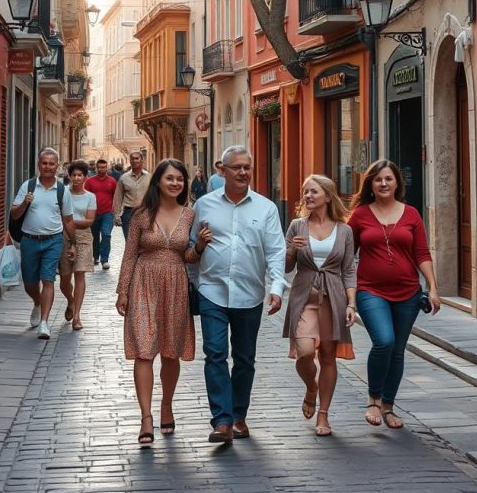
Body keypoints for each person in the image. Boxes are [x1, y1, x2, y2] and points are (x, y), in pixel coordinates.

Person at [187, 145, 285, 443]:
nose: (243, 172)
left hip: (249, 293)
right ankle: (222, 420)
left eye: (247, 167)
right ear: (223, 171)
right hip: (212, 290)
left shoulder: (266, 208)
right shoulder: (204, 205)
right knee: (215, 353)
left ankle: (239, 415)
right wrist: (196, 283)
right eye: (236, 167)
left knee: (244, 358)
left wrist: (277, 287)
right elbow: (192, 246)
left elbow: (276, 250)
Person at [349, 159, 440, 429]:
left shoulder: (411, 214)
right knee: (384, 341)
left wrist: (432, 287)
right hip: (370, 290)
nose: (384, 183)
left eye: (389, 178)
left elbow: (421, 253)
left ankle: (388, 406)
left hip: (408, 293)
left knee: (398, 350)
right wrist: (348, 295)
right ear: (371, 184)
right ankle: (373, 399)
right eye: (378, 179)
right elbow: (346, 256)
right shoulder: (360, 215)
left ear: (397, 182)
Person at [115, 158, 195, 447]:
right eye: (170, 178)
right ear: (158, 181)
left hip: (175, 284)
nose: (175, 183)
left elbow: (188, 257)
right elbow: (129, 254)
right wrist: (122, 290)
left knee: (171, 351)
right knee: (144, 351)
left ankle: (167, 405)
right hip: (143, 283)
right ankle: (146, 417)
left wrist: (199, 248)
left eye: (180, 179)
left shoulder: (189, 215)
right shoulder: (141, 215)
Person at [284, 175, 356, 436]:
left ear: (327, 195)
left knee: (327, 356)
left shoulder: (344, 230)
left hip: (334, 299)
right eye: (305, 192)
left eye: (313, 192)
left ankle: (323, 415)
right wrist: (291, 249)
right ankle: (311, 387)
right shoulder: (296, 226)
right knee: (303, 352)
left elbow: (349, 270)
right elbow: (286, 266)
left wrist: (351, 303)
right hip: (304, 297)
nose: (307, 196)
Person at [10, 147, 76, 340]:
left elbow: (69, 220)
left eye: (51, 163)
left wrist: (72, 244)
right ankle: (37, 303)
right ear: (39, 165)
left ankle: (45, 323)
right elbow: (14, 213)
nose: (47, 167)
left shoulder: (62, 190)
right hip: (29, 240)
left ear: (57, 166)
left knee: (48, 280)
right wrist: (25, 203)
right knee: (30, 283)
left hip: (53, 240)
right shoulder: (28, 186)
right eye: (44, 163)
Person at [59, 160, 97, 330]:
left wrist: (69, 221)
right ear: (69, 176)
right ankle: (70, 301)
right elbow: (58, 217)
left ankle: (77, 316)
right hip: (63, 237)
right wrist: (68, 223)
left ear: (85, 177)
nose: (76, 178)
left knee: (80, 274)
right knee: (65, 278)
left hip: (83, 238)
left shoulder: (90, 197)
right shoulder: (62, 193)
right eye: (73, 175)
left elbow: (90, 220)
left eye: (79, 175)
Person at [85, 158, 117, 270]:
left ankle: (105, 260)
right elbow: (86, 197)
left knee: (106, 234)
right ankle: (95, 256)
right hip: (93, 213)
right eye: (99, 167)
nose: (101, 169)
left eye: (104, 167)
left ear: (107, 167)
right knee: (94, 236)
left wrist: (116, 212)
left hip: (108, 212)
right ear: (96, 168)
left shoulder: (112, 181)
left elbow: (116, 197)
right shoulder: (89, 181)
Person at [113, 150, 150, 242]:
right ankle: (131, 256)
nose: (134, 161)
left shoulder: (150, 177)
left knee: (144, 241)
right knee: (130, 241)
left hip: (145, 212)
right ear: (130, 161)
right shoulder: (124, 178)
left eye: (137, 158)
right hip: (128, 213)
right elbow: (118, 197)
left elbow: (155, 195)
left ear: (142, 160)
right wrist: (117, 215)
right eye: (132, 159)